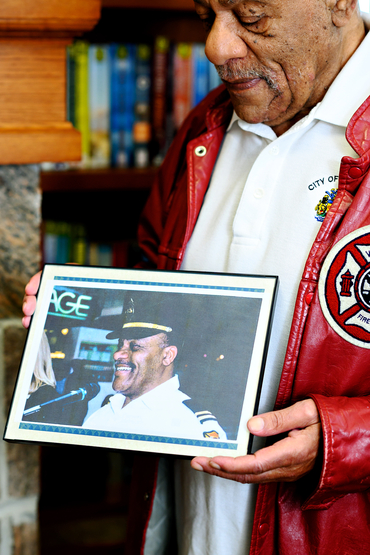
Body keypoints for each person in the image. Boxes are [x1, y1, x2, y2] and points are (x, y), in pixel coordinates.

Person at [22, 0, 370, 553]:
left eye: (251, 15)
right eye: (207, 15)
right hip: (188, 526)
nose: (215, 47)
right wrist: (79, 302)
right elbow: (155, 284)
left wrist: (345, 441)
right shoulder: (205, 126)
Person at [82, 298, 227, 441]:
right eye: (121, 345)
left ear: (167, 356)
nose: (117, 354)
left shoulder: (190, 425)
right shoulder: (105, 411)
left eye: (135, 347)